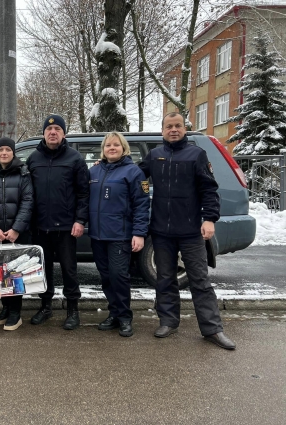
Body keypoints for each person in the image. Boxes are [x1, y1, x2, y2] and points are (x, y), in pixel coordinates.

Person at [139, 112, 236, 350]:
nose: (173, 130)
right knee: (164, 279)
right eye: (169, 126)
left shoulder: (196, 154)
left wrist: (209, 218)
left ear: (185, 129)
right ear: (162, 131)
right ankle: (168, 321)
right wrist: (105, 166)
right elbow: (132, 174)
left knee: (200, 280)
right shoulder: (154, 155)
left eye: (178, 126)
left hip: (191, 231)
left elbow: (209, 189)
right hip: (161, 231)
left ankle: (212, 329)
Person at [26, 114, 90, 330]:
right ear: (44, 133)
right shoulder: (33, 159)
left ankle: (73, 310)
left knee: (69, 270)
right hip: (40, 227)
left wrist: (80, 220)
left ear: (63, 134)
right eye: (49, 130)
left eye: (58, 130)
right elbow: (27, 194)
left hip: (66, 228)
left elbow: (83, 193)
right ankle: (45, 306)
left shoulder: (75, 159)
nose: (53, 133)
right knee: (42, 270)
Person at [88, 132, 150, 337]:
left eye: (116, 145)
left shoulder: (133, 172)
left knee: (119, 276)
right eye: (108, 145)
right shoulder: (94, 171)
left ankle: (124, 317)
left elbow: (142, 205)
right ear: (103, 149)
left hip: (120, 235)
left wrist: (139, 233)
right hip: (98, 235)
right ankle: (114, 313)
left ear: (124, 148)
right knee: (106, 277)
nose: (111, 148)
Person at [0, 137, 33, 331]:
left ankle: (15, 313)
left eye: (7, 150)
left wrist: (17, 228)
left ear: (13, 152)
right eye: (0, 149)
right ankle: (5, 307)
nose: (4, 153)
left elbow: (27, 202)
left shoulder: (23, 173)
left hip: (17, 233)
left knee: (15, 272)